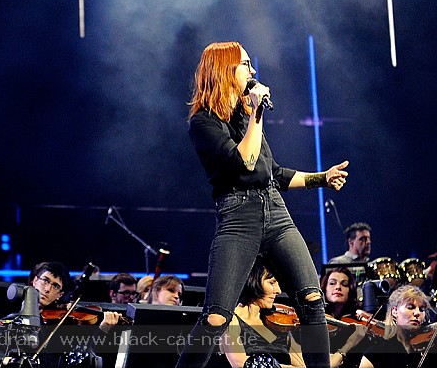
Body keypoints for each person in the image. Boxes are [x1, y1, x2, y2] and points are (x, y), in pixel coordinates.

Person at [175, 41, 350, 368]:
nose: (253, 71)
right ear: (224, 69)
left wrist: (321, 178)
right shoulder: (203, 123)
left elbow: (272, 173)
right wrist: (256, 113)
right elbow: (244, 163)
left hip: (276, 214)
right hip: (238, 219)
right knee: (216, 317)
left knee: (312, 298)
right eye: (245, 64)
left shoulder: (246, 116)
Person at [221, 255, 367, 368]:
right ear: (253, 280)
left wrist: (348, 345)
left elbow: (313, 364)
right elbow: (241, 363)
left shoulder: (278, 325)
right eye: (272, 283)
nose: (278, 290)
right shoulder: (231, 319)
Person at [358, 284, 436, 367]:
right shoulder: (375, 354)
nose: (417, 313)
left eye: (422, 309)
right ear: (394, 311)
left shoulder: (426, 351)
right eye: (410, 307)